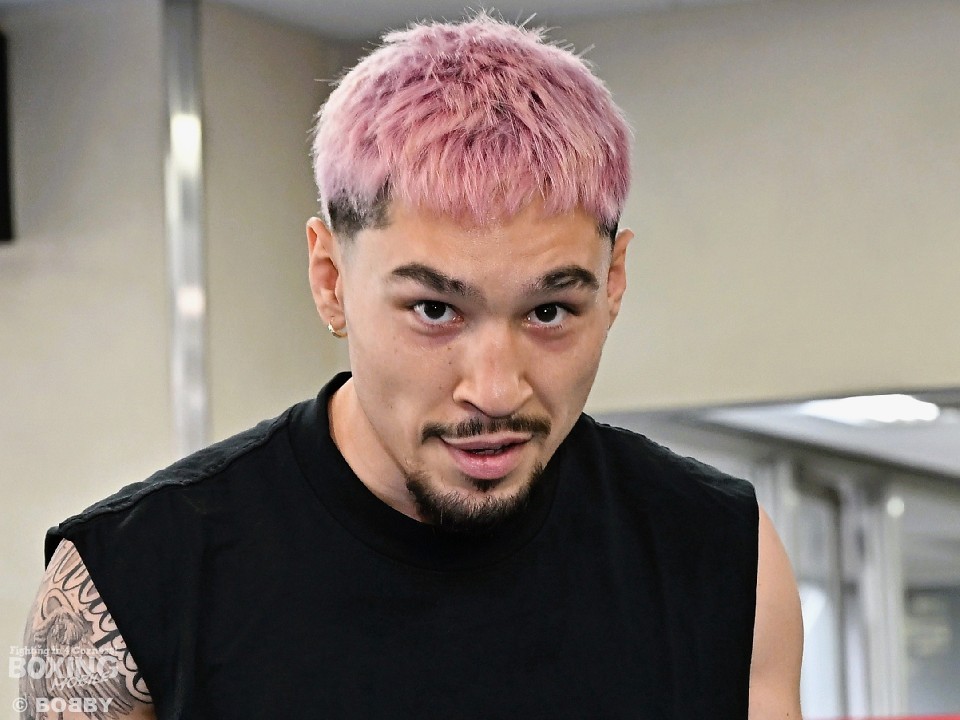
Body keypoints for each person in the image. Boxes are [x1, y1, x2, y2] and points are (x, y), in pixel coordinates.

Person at [21, 11, 802, 719]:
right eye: (434, 310)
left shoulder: (723, 554)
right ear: (329, 279)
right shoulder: (119, 586)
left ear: (615, 282)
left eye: (548, 312)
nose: (495, 391)